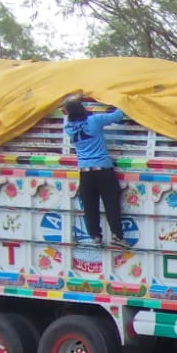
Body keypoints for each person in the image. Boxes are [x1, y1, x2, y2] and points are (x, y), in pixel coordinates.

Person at [63, 98, 127, 247]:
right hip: (103, 169)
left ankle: (95, 237)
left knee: (90, 206)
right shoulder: (95, 120)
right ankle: (117, 235)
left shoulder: (69, 128)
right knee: (111, 203)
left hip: (85, 172)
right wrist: (121, 101)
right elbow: (118, 115)